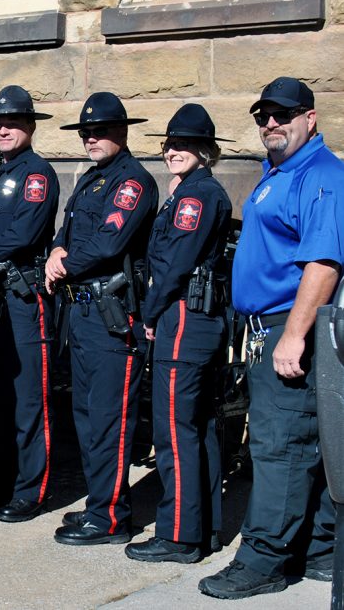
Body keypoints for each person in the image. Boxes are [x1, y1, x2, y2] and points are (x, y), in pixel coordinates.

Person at [199, 77, 344, 599]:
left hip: (293, 325)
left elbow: (324, 262)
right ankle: (320, 550)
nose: (270, 124)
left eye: (282, 114)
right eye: (262, 116)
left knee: (280, 445)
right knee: (300, 443)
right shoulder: (278, 172)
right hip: (271, 326)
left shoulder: (321, 175)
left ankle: (262, 561)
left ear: (310, 117)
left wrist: (294, 336)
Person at [44, 91, 158, 546]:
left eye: (101, 131)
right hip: (83, 313)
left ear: (122, 132)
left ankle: (111, 518)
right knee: (88, 416)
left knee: (110, 418)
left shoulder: (133, 181)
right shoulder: (92, 180)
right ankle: (98, 503)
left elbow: (110, 243)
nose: (92, 138)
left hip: (113, 316)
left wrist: (64, 263)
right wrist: (55, 249)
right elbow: (67, 232)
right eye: (86, 132)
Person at [125, 104, 232, 564]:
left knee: (174, 433)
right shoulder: (193, 191)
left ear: (206, 150)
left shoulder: (195, 196)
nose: (175, 151)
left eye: (186, 144)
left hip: (183, 318)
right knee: (198, 427)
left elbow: (172, 265)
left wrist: (149, 313)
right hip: (196, 319)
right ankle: (204, 528)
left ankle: (178, 537)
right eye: (170, 144)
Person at [0, 85, 60, 522]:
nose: (4, 130)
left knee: (27, 399)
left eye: (13, 123)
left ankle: (30, 490)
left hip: (21, 298)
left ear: (30, 126)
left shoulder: (36, 174)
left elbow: (22, 234)